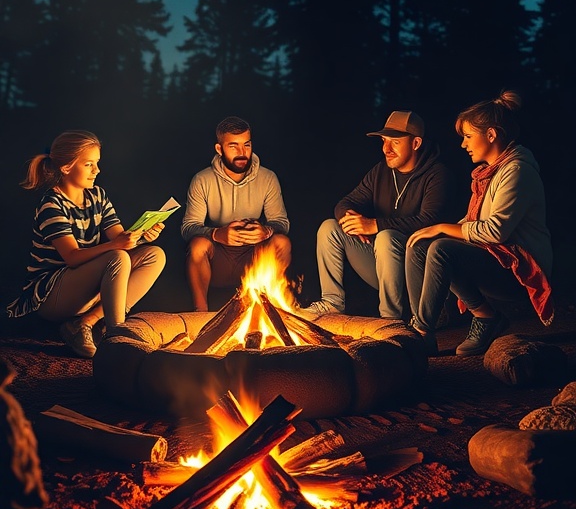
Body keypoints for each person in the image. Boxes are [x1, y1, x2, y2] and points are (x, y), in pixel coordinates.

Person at [406, 90, 554, 357]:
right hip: (498, 259)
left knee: (441, 248)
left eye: (468, 136)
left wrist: (441, 227)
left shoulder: (516, 171)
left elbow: (494, 231)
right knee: (421, 244)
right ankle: (477, 319)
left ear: (491, 135)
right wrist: (433, 230)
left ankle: (421, 332)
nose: (464, 144)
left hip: (521, 271)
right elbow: (474, 222)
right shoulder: (492, 172)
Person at [6, 130, 167, 359]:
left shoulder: (98, 196)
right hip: (51, 294)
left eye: (97, 163)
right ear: (66, 167)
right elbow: (71, 257)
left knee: (154, 254)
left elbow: (119, 238)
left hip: (85, 284)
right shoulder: (51, 204)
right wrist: (117, 246)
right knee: (117, 257)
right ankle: (117, 337)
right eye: (89, 164)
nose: (97, 171)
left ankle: (86, 322)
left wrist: (141, 237)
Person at [301, 111, 449, 321]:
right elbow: (345, 203)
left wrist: (374, 225)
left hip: (420, 275)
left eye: (395, 142)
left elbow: (430, 221)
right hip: (385, 268)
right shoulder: (381, 171)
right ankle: (332, 303)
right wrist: (351, 220)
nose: (386, 149)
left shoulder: (436, 174)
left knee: (385, 236)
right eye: (383, 141)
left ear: (416, 143)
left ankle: (390, 320)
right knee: (330, 228)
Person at [181, 115, 292, 310]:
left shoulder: (267, 177)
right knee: (198, 245)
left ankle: (271, 308)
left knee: (281, 242)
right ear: (219, 148)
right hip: (219, 259)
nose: (242, 153)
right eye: (233, 146)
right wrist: (217, 234)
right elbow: (189, 228)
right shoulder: (202, 180)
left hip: (254, 255)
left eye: (247, 145)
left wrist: (266, 231)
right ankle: (200, 312)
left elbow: (281, 222)